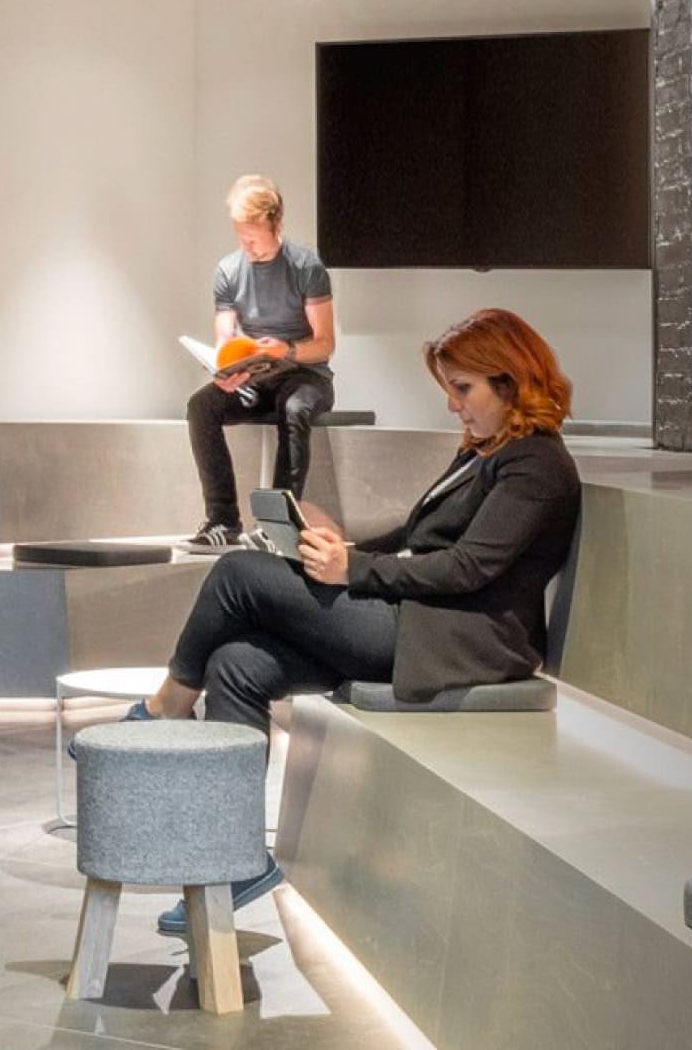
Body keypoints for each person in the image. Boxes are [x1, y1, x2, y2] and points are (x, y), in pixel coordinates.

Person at [123, 308, 582, 935]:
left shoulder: (536, 465)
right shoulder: (490, 452)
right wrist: (345, 548)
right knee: (236, 664)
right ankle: (236, 858)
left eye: (462, 388)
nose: (453, 405)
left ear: (511, 381)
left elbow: (469, 568)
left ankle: (165, 710)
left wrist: (354, 569)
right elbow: (417, 537)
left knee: (236, 574)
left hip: (452, 638)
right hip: (418, 620)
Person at [180, 175, 339, 554]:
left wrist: (285, 350)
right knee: (201, 406)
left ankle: (280, 525)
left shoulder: (306, 266)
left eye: (253, 237)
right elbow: (225, 337)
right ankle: (222, 520)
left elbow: (325, 344)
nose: (247, 245)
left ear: (275, 224)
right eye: (241, 236)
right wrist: (226, 370)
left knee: (294, 407)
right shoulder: (228, 270)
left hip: (305, 375)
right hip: (255, 377)